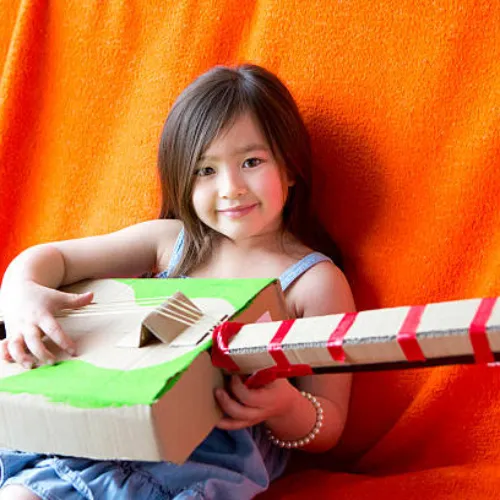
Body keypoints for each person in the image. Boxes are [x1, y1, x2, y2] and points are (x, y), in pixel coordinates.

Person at [0, 64, 356, 500]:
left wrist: (285, 407)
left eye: (251, 161)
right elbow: (52, 258)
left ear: (290, 168)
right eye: (206, 170)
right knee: (24, 492)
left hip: (206, 458)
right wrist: (21, 296)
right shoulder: (171, 243)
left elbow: (330, 423)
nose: (231, 188)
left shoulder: (314, 283)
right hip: (110, 425)